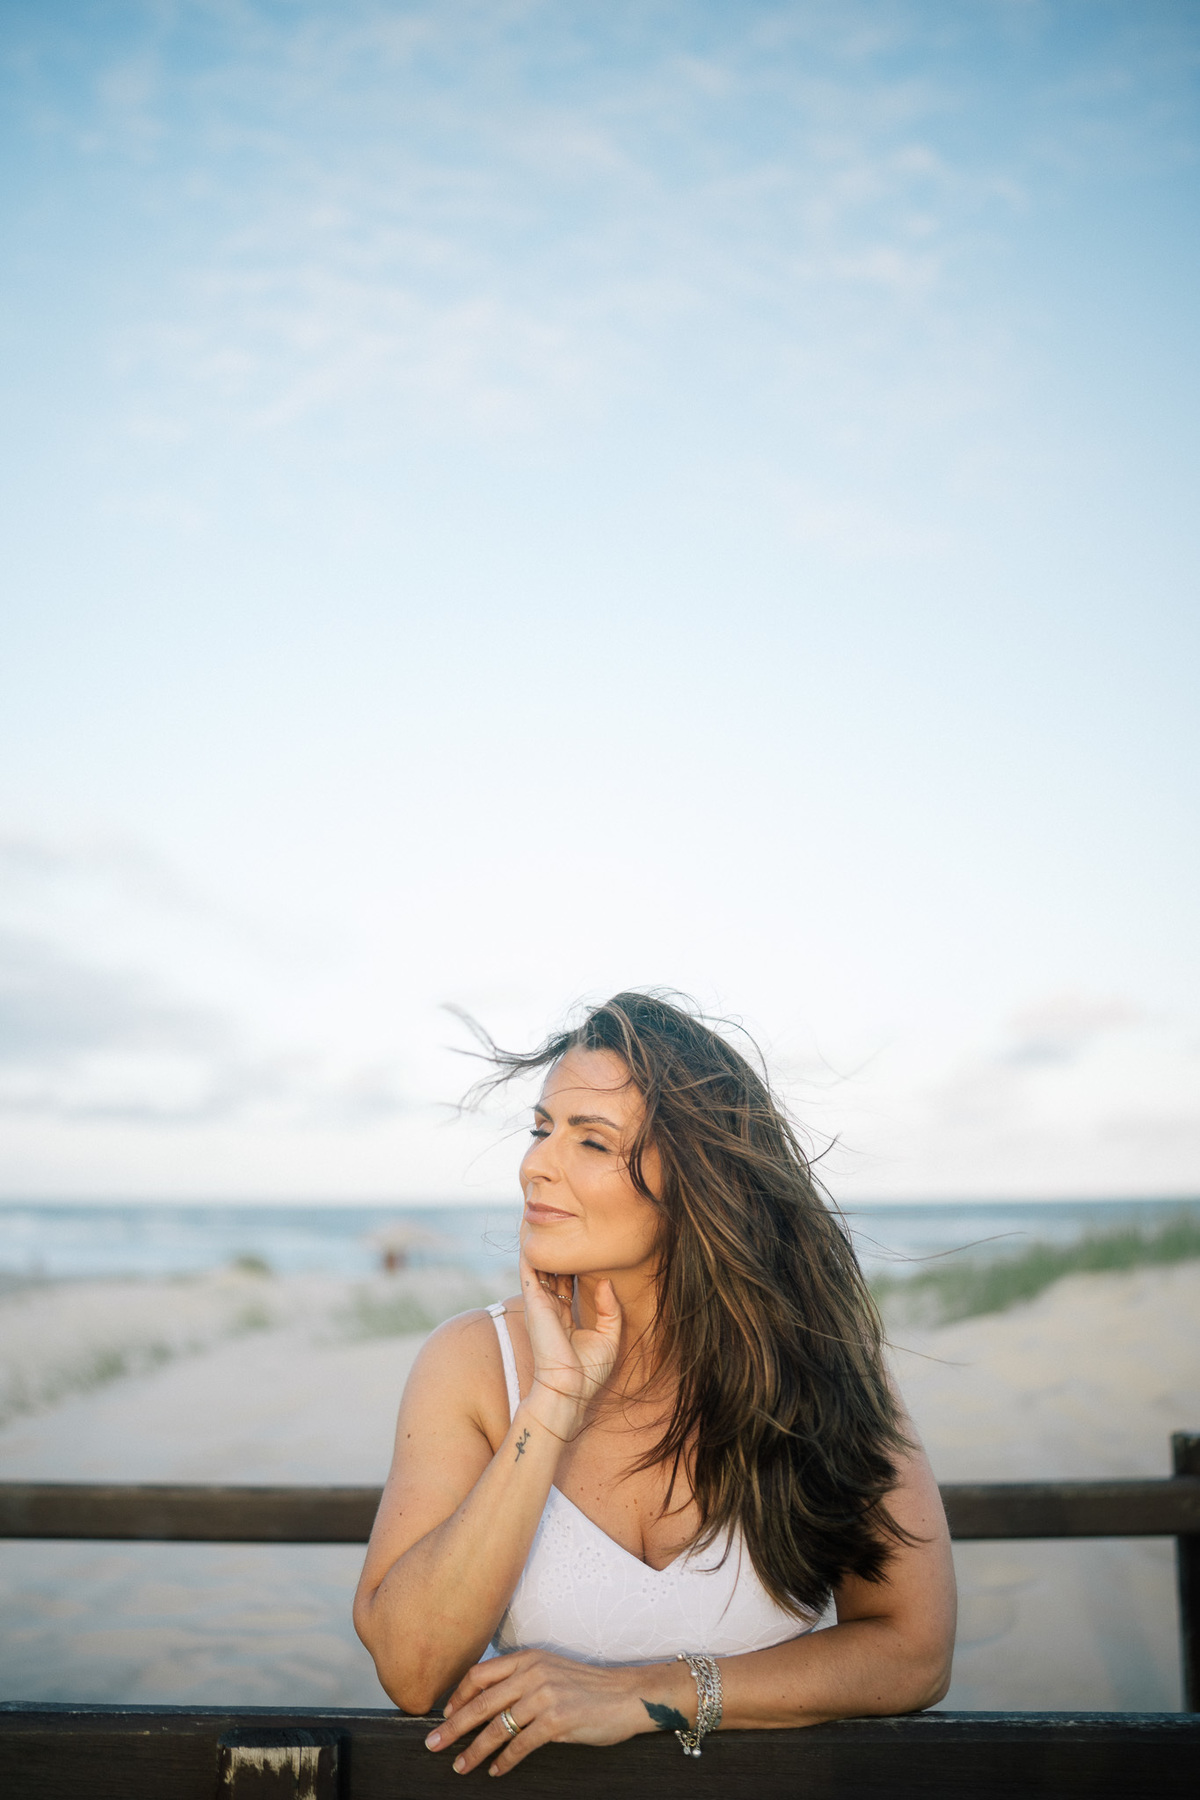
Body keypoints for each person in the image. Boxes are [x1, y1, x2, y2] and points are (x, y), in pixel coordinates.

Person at [354, 992, 955, 1777]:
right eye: (541, 1129)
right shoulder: (471, 1362)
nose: (536, 1164)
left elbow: (914, 1652)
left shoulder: (819, 1360)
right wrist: (552, 1405)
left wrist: (650, 1693)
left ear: (697, 1177)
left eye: (591, 1140)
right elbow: (412, 1667)